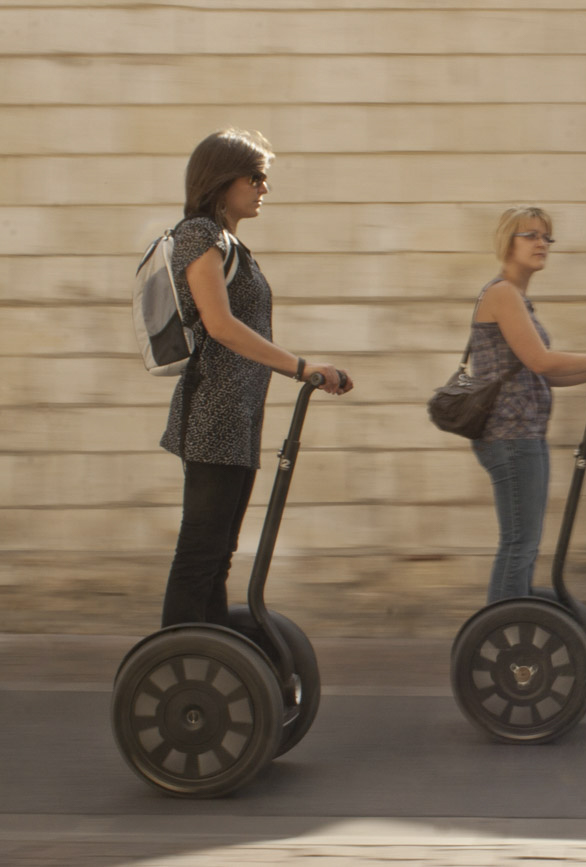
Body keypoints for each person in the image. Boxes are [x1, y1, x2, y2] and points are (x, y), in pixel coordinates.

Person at [159, 129, 354, 627]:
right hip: (212, 417)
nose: (263, 187)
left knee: (219, 556)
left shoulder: (231, 245)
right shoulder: (199, 235)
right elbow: (221, 326)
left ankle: (211, 663)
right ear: (222, 179)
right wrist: (302, 368)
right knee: (201, 554)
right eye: (255, 176)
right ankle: (179, 667)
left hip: (238, 417)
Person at [469, 205, 586, 603]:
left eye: (546, 236)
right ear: (507, 242)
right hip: (509, 437)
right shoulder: (502, 294)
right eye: (530, 235)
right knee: (519, 546)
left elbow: (545, 375)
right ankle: (504, 640)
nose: (541, 243)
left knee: (524, 546)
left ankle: (511, 625)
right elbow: (541, 361)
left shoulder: (518, 300)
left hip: (524, 436)